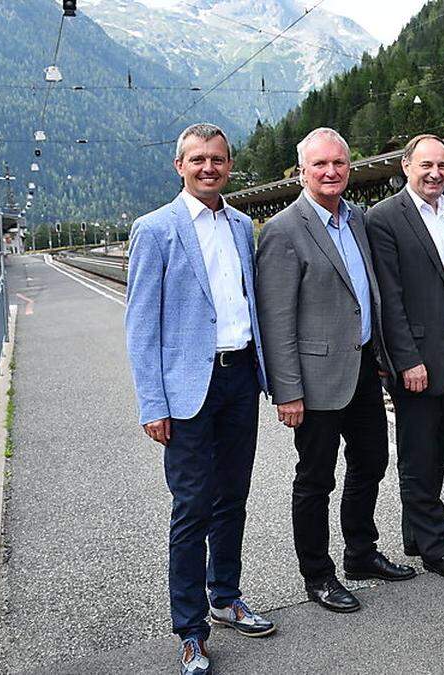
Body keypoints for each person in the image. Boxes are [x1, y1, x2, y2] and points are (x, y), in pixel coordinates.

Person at [125, 122, 274, 675]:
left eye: (218, 159)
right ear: (179, 166)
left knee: (232, 496)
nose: (208, 167)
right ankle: (190, 630)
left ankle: (226, 596)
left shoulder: (240, 225)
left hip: (239, 380)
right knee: (191, 508)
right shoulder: (155, 229)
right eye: (198, 159)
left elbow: (247, 303)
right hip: (188, 389)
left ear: (229, 164)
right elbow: (141, 324)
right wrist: (152, 403)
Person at [255, 127, 415, 615]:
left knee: (371, 462)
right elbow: (276, 317)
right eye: (320, 164)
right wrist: (287, 391)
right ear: (302, 170)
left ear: (350, 168)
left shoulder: (358, 219)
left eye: (339, 164)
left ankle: (360, 554)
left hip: (364, 367)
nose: (330, 172)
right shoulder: (284, 229)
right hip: (315, 378)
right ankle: (318, 575)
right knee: (315, 478)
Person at [366, 134, 444, 580]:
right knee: (418, 452)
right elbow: (389, 299)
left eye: (442, 165)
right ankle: (437, 548)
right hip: (417, 354)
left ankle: (418, 533)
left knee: (439, 445)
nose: (435, 173)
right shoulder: (385, 218)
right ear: (406, 166)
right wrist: (405, 359)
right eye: (426, 165)